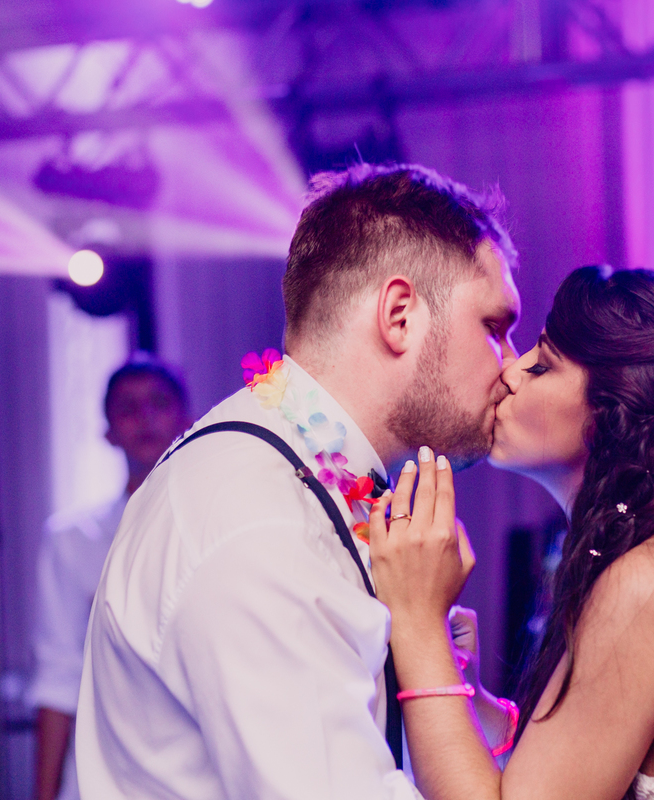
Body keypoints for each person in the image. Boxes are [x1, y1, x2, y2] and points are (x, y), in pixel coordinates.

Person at [74, 164, 521, 799]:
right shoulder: (259, 521)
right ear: (399, 315)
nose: (510, 366)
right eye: (495, 328)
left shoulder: (313, 480)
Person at [369, 266, 654, 800]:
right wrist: (469, 694)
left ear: (612, 415)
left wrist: (416, 623)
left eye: (543, 364)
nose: (509, 370)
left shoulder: (653, 584)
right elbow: (570, 767)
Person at [28, 357, 191, 800]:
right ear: (107, 430)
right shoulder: (73, 539)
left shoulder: (224, 526)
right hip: (107, 776)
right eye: (128, 408)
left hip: (204, 772)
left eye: (159, 403)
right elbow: (58, 676)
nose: (146, 418)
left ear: (187, 418)